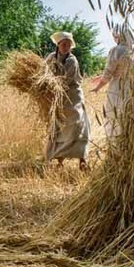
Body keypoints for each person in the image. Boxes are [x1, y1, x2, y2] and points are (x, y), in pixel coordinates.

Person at [45, 31, 91, 170]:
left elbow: (66, 80)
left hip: (72, 96)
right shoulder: (51, 57)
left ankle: (82, 159)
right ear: (58, 45)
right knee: (58, 127)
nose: (66, 47)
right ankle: (59, 160)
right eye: (63, 44)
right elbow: (44, 72)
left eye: (68, 45)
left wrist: (50, 83)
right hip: (57, 99)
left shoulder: (72, 60)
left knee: (78, 124)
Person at [91, 26, 133, 138]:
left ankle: (115, 144)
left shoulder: (116, 50)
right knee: (127, 114)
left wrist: (97, 87)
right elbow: (122, 69)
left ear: (117, 36)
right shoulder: (133, 51)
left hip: (117, 88)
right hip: (132, 87)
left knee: (114, 115)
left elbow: (108, 73)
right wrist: (100, 76)